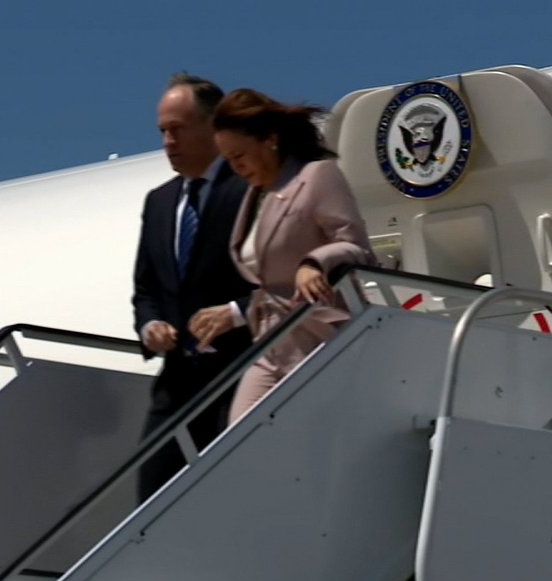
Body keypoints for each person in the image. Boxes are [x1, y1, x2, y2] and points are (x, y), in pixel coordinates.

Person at [190, 88, 374, 422]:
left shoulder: (317, 176)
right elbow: (271, 283)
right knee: (240, 438)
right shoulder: (255, 198)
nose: (236, 167)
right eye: (228, 160)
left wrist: (315, 262)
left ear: (269, 140)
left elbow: (358, 248)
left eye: (239, 155)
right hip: (269, 346)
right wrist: (233, 314)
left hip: (318, 340)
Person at [131, 74, 254, 502]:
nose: (168, 141)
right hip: (177, 385)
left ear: (213, 127)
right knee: (152, 500)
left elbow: (278, 282)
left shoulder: (252, 190)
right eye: (163, 131)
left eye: (177, 129)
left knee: (231, 497)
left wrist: (235, 311)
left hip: (242, 374)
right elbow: (146, 289)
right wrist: (151, 328)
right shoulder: (160, 202)